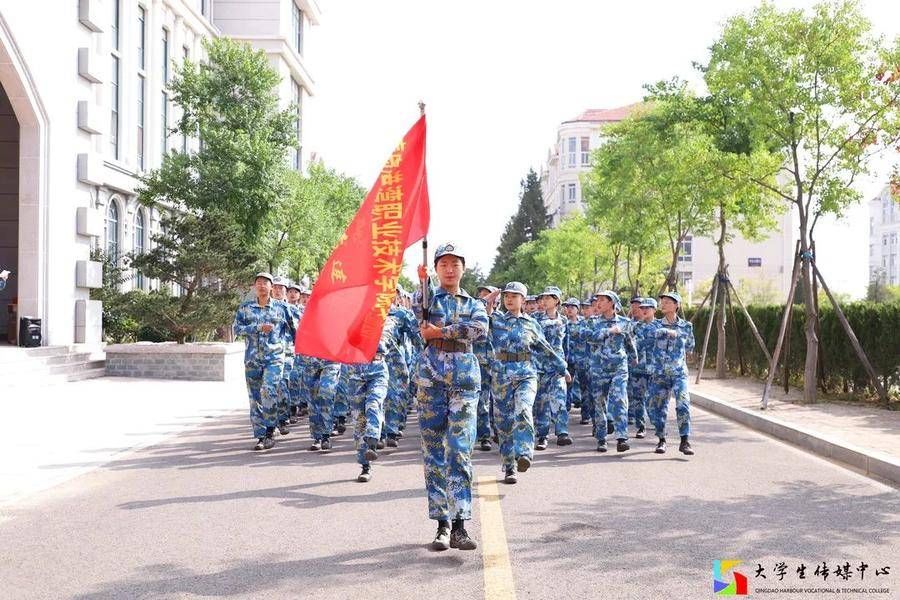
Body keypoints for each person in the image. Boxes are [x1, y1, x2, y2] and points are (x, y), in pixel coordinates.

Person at [413, 242, 488, 551]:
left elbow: (479, 329)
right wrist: (421, 282)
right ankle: (441, 524)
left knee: (459, 449)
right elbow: (419, 313)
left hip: (464, 384)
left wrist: (441, 332)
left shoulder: (474, 303)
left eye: (455, 263)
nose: (449, 268)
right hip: (431, 382)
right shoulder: (428, 297)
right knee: (434, 454)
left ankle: (460, 525)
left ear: (463, 268)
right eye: (443, 263)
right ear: (436, 268)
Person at [484, 282, 567, 484]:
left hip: (526, 374)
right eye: (506, 296)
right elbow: (477, 317)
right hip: (501, 375)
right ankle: (509, 467)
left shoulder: (532, 324)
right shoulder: (494, 320)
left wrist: (562, 368)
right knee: (503, 424)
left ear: (523, 299)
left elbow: (546, 349)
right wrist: (488, 301)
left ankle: (524, 454)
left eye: (514, 296)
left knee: (523, 409)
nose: (509, 299)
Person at [233, 272, 297, 451]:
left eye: (265, 283)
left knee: (268, 390)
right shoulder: (246, 308)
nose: (261, 285)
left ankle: (270, 429)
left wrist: (299, 350)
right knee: (255, 398)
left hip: (274, 358)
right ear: (254, 287)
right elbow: (237, 329)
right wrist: (258, 327)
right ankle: (261, 436)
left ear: (271, 287)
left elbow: (295, 331)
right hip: (252, 359)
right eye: (258, 283)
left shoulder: (282, 308)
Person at [584, 290, 636, 453]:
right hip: (598, 369)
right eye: (596, 300)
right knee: (600, 403)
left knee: (620, 398)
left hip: (619, 367)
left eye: (602, 300)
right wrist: (608, 331)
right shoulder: (592, 322)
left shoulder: (625, 322)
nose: (598, 303)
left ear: (612, 303)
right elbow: (589, 338)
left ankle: (622, 437)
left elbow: (629, 341)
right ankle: (601, 438)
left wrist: (634, 356)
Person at [647, 291, 696, 456]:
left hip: (678, 373)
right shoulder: (655, 324)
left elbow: (690, 347)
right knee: (656, 408)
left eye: (668, 302)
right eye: (663, 301)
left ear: (676, 305)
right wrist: (666, 332)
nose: (664, 304)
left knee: (683, 404)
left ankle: (684, 440)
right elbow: (648, 336)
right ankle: (661, 439)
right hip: (659, 374)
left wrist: (678, 336)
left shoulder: (686, 326)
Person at [533, 286, 573, 449]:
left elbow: (566, 345)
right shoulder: (535, 319)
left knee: (559, 398)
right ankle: (542, 436)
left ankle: (562, 432)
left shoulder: (564, 321)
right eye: (543, 298)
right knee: (541, 402)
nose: (545, 300)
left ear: (556, 300)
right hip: (540, 366)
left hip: (557, 367)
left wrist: (566, 366)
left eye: (549, 298)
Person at [628, 297, 658, 439]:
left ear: (654, 310)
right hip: (638, 369)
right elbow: (627, 343)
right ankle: (640, 427)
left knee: (654, 399)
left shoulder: (660, 327)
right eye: (642, 308)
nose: (644, 310)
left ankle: (658, 423)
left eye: (648, 308)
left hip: (655, 369)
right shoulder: (635, 327)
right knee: (638, 399)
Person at [473, 285, 498, 451]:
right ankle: (483, 436)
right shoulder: (474, 319)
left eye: (489, 298)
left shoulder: (502, 319)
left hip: (499, 366)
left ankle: (499, 431)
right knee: (481, 401)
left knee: (498, 401)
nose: (486, 301)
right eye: (482, 298)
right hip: (479, 364)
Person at [271, 277, 296, 435]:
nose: (279, 290)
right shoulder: (267, 307)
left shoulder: (290, 309)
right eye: (276, 287)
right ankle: (272, 420)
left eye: (282, 288)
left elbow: (298, 330)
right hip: (269, 354)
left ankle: (283, 416)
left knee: (283, 384)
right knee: (270, 387)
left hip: (287, 353)